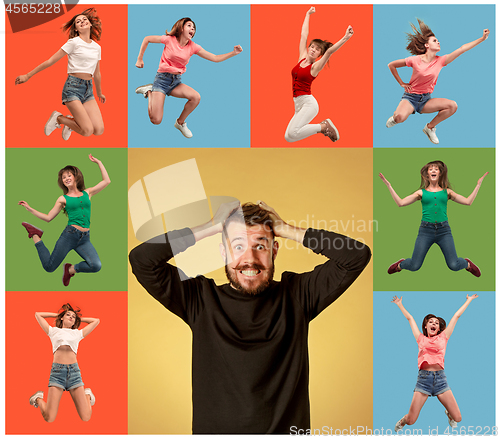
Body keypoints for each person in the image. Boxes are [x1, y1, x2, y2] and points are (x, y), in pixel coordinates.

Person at [129, 200, 371, 434]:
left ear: (274, 250)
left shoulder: (298, 296)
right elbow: (142, 261)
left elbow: (356, 256)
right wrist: (211, 227)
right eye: (238, 246)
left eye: (260, 245)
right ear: (223, 252)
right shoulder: (200, 300)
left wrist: (287, 229)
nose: (250, 259)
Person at [134, 17, 243, 139]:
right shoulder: (169, 40)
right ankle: (149, 92)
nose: (193, 29)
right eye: (189, 26)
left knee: (196, 97)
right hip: (161, 81)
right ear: (181, 28)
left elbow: (215, 58)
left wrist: (233, 53)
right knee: (156, 120)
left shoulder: (193, 46)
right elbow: (147, 39)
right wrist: (140, 58)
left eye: (194, 28)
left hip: (176, 82)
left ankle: (180, 123)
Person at [386, 19, 489, 144]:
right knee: (399, 118)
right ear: (427, 45)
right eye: (435, 40)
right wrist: (401, 83)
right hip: (410, 98)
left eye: (438, 40)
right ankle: (396, 117)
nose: (438, 42)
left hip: (426, 100)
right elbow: (391, 65)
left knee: (452, 106)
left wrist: (482, 39)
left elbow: (462, 49)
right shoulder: (414, 60)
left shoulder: (441, 60)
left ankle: (429, 128)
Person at [379, 160, 487, 276]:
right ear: (427, 174)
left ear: (440, 173)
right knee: (414, 265)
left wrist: (478, 185)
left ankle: (467, 264)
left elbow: (468, 202)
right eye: (431, 169)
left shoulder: (447, 192)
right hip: (426, 231)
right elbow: (400, 203)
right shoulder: (421, 192)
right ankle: (400, 265)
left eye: (436, 169)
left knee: (454, 265)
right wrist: (389, 185)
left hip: (444, 231)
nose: (433, 170)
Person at [19, 154, 110, 286]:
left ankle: (71, 269)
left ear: (75, 176)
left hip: (84, 238)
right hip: (69, 236)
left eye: (68, 175)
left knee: (96, 265)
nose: (66, 178)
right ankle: (35, 234)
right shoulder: (63, 199)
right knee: (49, 267)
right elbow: (48, 217)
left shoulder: (87, 193)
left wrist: (99, 162)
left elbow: (106, 181)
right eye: (63, 177)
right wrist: (30, 209)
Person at [15, 8, 106, 141]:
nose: (82, 22)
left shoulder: (97, 47)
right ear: (76, 29)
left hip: (88, 89)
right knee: (87, 131)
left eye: (84, 19)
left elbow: (97, 73)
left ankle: (71, 122)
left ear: (90, 24)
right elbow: (50, 61)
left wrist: (99, 93)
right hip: (73, 88)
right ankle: (59, 118)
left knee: (98, 130)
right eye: (78, 22)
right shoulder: (73, 43)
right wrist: (28, 75)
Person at [391, 294, 478, 431]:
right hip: (423, 380)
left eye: (436, 323)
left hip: (440, 380)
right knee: (411, 420)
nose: (434, 324)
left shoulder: (444, 337)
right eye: (431, 322)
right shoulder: (420, 338)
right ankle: (403, 420)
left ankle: (449, 414)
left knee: (458, 418)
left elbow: (456, 316)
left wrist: (469, 300)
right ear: (426, 326)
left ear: (439, 329)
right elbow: (410, 318)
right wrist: (399, 304)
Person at [285, 7, 353, 143]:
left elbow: (329, 52)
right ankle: (323, 127)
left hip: (308, 103)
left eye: (317, 49)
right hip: (298, 104)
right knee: (289, 137)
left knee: (293, 132)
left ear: (319, 54)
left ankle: (323, 127)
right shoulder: (302, 58)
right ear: (309, 47)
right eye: (312, 47)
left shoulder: (315, 67)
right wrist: (307, 14)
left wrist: (346, 37)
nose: (313, 50)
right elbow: (304, 35)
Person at [29, 303, 100, 422]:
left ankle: (87, 395)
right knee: (49, 418)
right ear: (62, 317)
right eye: (68, 315)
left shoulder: (77, 333)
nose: (71, 317)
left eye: (73, 316)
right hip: (57, 373)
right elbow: (38, 315)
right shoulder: (53, 331)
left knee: (86, 417)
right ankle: (38, 399)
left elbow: (96, 321)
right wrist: (58, 315)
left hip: (74, 373)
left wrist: (78, 319)